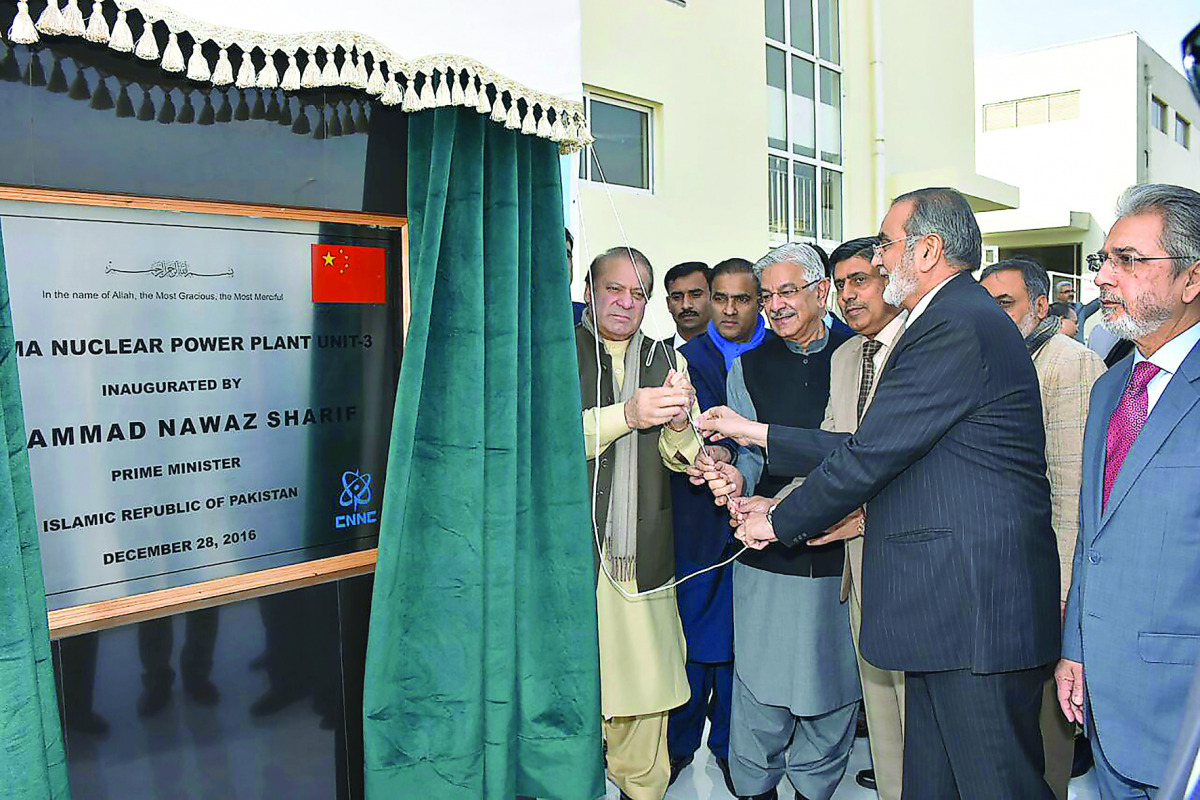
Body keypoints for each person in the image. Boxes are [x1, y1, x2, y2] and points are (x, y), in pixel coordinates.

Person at [705, 187, 1060, 800]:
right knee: (933, 783)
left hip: (973, 610)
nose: (878, 258)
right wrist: (773, 495)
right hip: (946, 609)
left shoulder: (954, 325)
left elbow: (872, 452)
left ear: (927, 251)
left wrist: (778, 520)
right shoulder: (950, 319)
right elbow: (874, 450)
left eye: (886, 244)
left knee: (991, 783)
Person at [1056, 183, 1200, 800]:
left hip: (1182, 709)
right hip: (1108, 703)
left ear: (1192, 278)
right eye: (1104, 259)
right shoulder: (1111, 388)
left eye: (1129, 261)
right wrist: (1075, 649)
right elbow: (1095, 535)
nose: (1103, 278)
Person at [704, 242, 860, 800]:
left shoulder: (859, 357)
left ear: (822, 291)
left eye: (787, 291)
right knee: (759, 683)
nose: (775, 305)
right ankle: (755, 785)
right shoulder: (748, 366)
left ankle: (816, 786)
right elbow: (750, 455)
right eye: (767, 295)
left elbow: (864, 452)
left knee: (834, 681)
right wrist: (735, 475)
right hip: (765, 547)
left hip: (843, 549)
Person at [576, 246, 701, 800]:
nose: (626, 303)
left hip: (640, 554)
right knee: (575, 685)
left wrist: (678, 425)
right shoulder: (556, 351)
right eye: (614, 289)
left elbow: (682, 456)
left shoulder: (666, 359)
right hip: (573, 553)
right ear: (589, 291)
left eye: (638, 293)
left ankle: (642, 788)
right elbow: (540, 439)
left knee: (646, 693)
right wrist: (626, 415)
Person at [980, 256, 1106, 800]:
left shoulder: (1068, 363)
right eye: (987, 305)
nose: (995, 316)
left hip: (1048, 574)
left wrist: (1064, 591)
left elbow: (1075, 484)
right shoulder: (995, 358)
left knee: (1050, 715)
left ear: (1039, 305)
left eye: (1005, 304)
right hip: (1001, 568)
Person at [666, 258, 767, 793]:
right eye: (720, 298)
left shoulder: (777, 354)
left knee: (741, 649)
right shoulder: (681, 361)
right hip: (697, 519)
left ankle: (732, 748)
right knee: (692, 640)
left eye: (740, 299)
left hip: (767, 519)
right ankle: (680, 744)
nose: (727, 309)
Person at [664, 261, 712, 348]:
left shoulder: (734, 352)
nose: (686, 305)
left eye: (696, 295)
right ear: (668, 304)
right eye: (677, 297)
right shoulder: (654, 353)